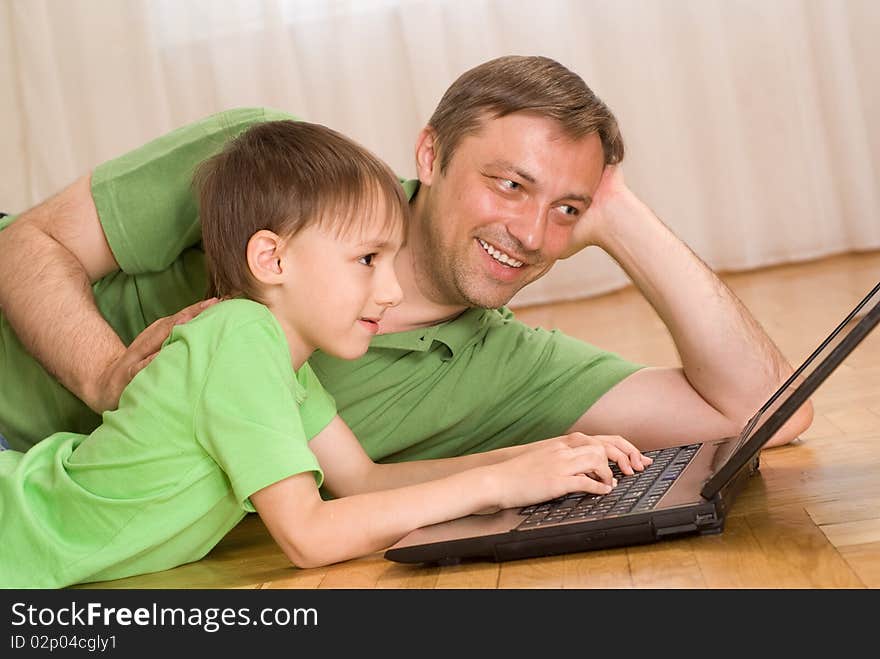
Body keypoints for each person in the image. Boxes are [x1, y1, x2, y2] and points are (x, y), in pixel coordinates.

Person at [0, 55, 812, 465]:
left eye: (566, 209)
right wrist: (111, 377)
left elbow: (770, 413)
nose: (532, 234)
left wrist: (620, 213)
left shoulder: (507, 366)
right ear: (431, 152)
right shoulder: (267, 158)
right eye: (509, 183)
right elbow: (26, 245)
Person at [0, 120, 655, 588]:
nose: (391, 289)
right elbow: (309, 536)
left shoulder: (285, 363)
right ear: (271, 257)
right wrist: (495, 485)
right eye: (367, 259)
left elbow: (364, 481)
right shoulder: (240, 341)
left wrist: (542, 459)